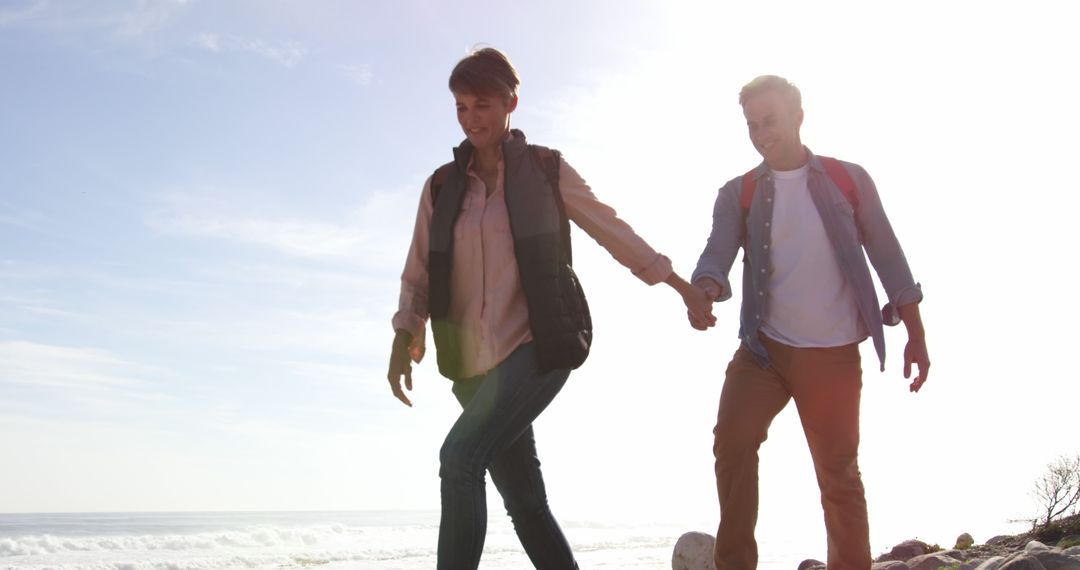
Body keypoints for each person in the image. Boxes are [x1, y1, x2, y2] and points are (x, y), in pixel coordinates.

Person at [386, 47, 714, 570]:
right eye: (461, 107)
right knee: (527, 505)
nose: (472, 119)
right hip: (471, 367)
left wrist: (678, 284)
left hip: (539, 347)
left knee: (459, 460)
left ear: (512, 102)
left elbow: (611, 228)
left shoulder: (545, 169)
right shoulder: (442, 187)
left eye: (483, 105)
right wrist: (404, 338)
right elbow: (417, 272)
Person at [689, 75, 931, 570]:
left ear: (799, 115)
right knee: (732, 442)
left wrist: (916, 335)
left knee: (838, 475)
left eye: (770, 121)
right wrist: (706, 288)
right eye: (751, 125)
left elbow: (889, 255)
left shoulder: (849, 179)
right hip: (764, 350)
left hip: (834, 354)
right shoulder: (740, 192)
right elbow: (717, 252)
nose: (760, 133)